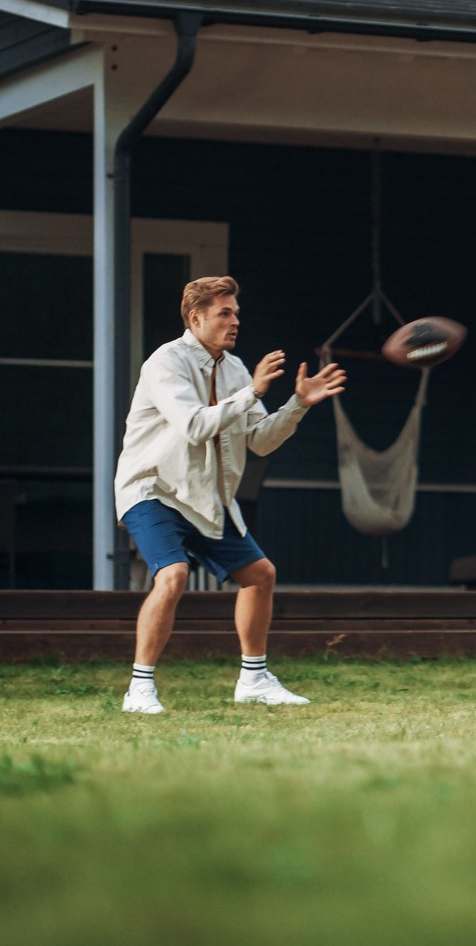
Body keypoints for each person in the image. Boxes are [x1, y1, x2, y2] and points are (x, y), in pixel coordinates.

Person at [116, 276, 346, 714]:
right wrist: (254, 391)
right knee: (173, 575)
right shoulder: (166, 362)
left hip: (207, 497)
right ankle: (140, 689)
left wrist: (297, 405)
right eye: (225, 312)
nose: (235, 320)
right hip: (153, 488)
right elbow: (194, 425)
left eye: (236, 312)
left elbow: (258, 440)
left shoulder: (237, 370)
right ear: (196, 317)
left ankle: (254, 679)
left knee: (260, 575)